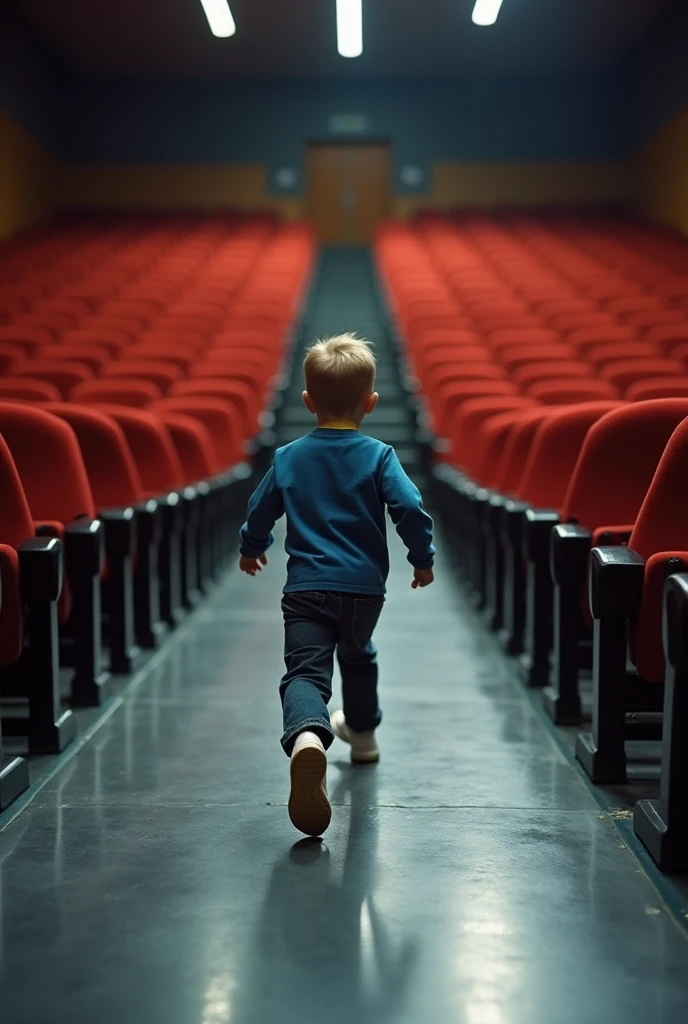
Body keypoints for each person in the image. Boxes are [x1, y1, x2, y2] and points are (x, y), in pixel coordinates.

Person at [238, 334, 435, 836]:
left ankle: (308, 736)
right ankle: (363, 737)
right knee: (358, 651)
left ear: (307, 402)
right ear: (371, 403)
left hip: (306, 587)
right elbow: (409, 508)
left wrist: (252, 545)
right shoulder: (379, 456)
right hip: (365, 590)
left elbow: (260, 509)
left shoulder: (288, 457)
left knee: (306, 672)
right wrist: (421, 557)